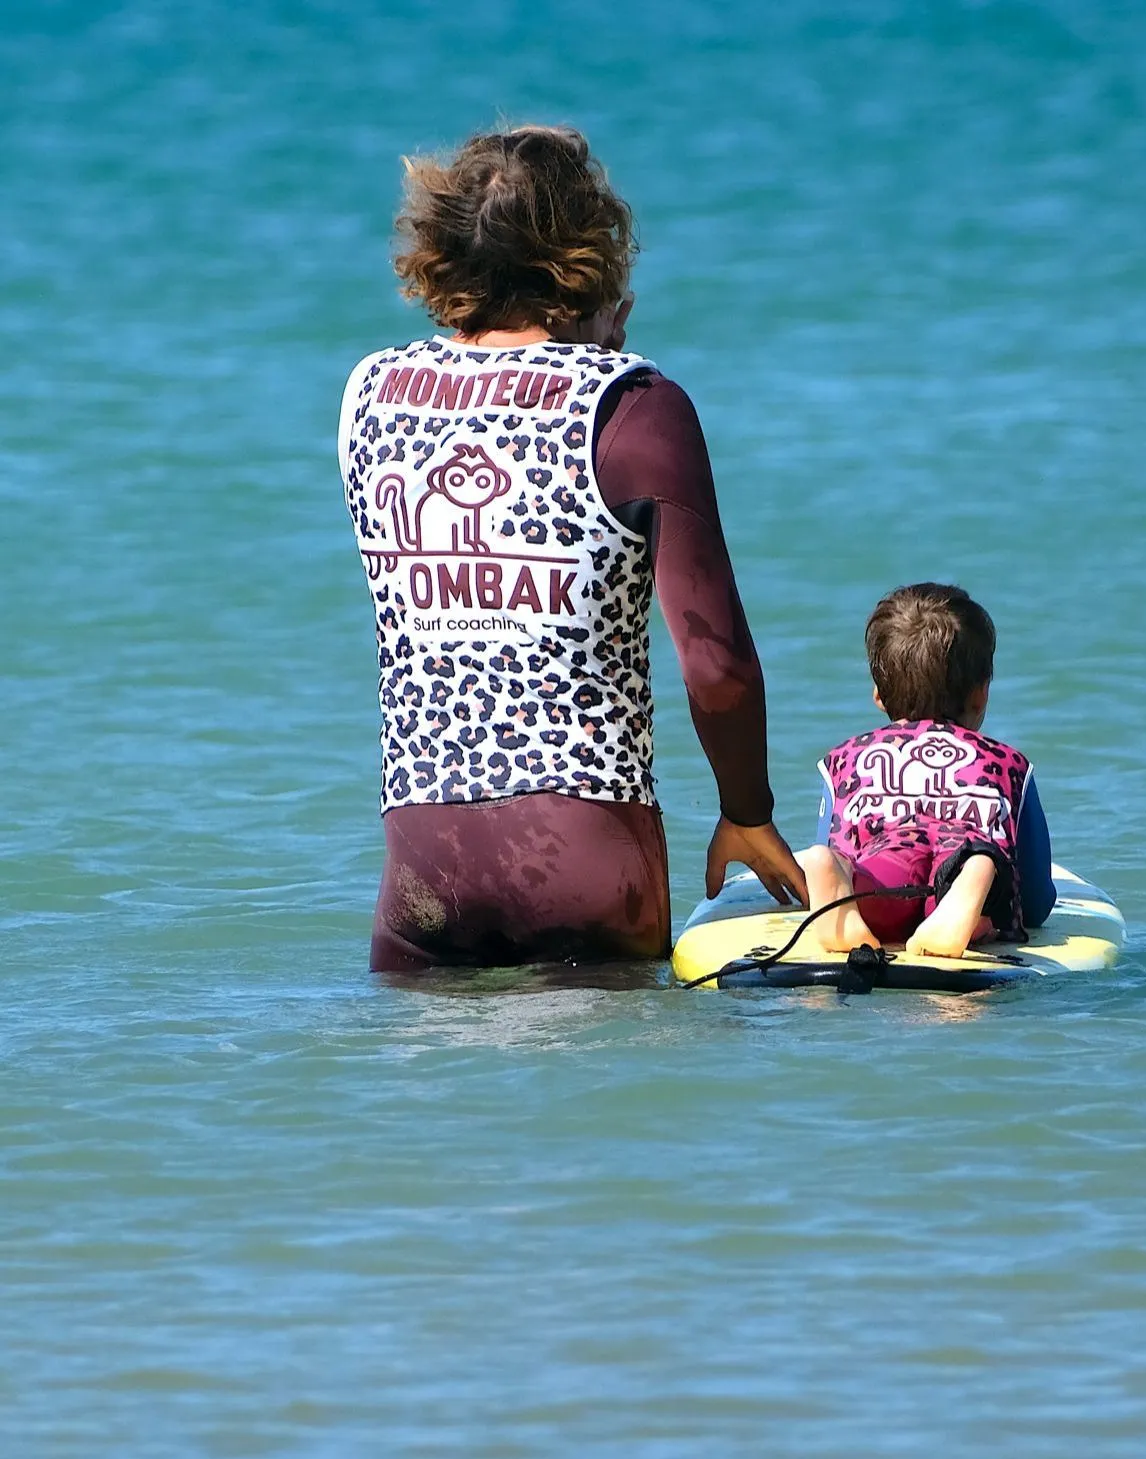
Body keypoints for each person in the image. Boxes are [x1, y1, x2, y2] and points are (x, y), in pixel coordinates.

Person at [338, 124, 806, 971]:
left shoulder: (370, 392)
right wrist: (747, 810)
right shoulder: (635, 402)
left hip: (422, 865)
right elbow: (716, 663)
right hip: (588, 854)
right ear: (593, 257)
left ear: (441, 252)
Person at [796, 584, 1055, 959]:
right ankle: (975, 877)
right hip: (955, 875)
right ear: (981, 694)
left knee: (850, 869)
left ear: (878, 696)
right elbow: (1035, 899)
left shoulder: (845, 759)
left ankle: (830, 877)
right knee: (984, 867)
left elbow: (838, 837)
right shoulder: (1007, 763)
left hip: (882, 883)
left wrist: (836, 864)